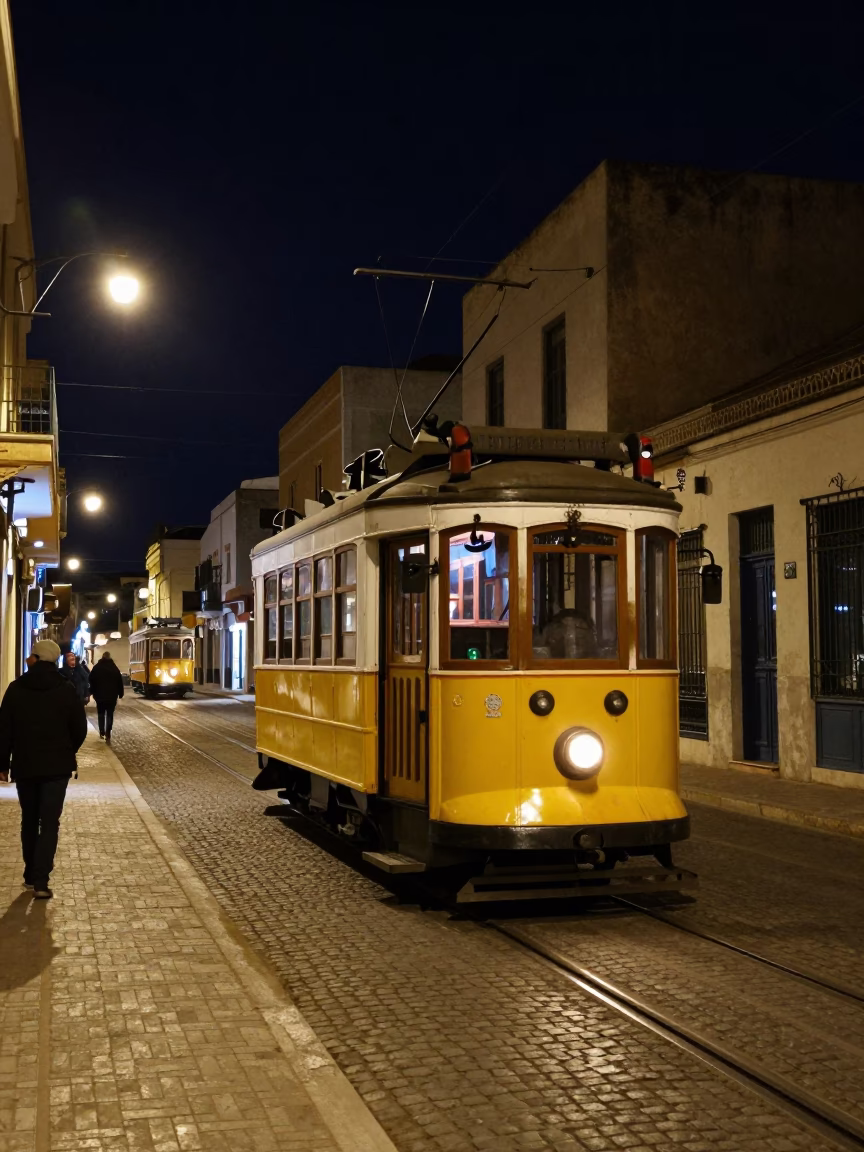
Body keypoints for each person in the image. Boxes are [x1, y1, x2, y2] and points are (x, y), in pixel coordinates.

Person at [0, 638, 87, 899]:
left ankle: (29, 873)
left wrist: (3, 764)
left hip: (26, 766)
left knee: (29, 819)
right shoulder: (67, 689)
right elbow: (80, 729)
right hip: (57, 768)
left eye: (31, 655)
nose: (28, 659)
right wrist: (67, 751)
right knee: (49, 823)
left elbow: (4, 730)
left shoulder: (16, 689)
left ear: (36, 659)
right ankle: (41, 881)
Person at [88, 651, 124, 742]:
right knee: (110, 714)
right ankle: (108, 732)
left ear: (102, 657)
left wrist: (92, 691)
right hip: (112, 696)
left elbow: (90, 679)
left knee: (101, 713)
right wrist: (120, 693)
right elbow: (119, 681)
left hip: (99, 695)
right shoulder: (114, 668)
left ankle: (101, 731)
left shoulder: (97, 667)